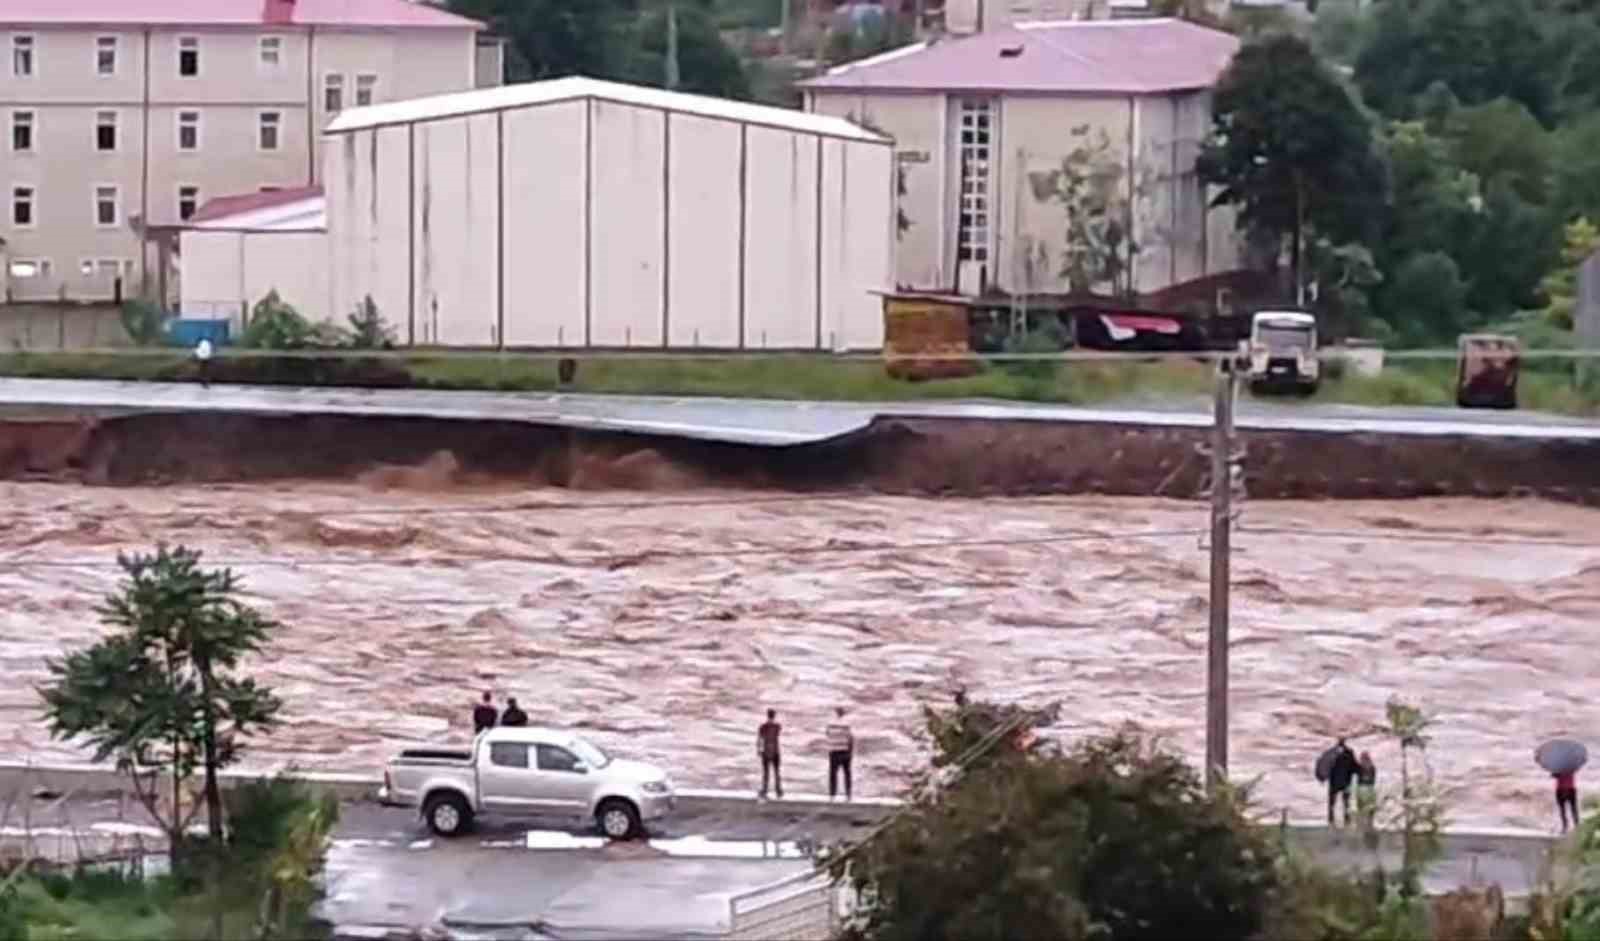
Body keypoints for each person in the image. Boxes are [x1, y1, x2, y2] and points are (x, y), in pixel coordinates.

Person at [1327, 738, 1359, 827]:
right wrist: (1361, 771)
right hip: (1346, 782)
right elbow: (1354, 766)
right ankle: (1347, 819)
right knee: (1346, 802)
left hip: (1333, 782)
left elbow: (1326, 766)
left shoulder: (1331, 753)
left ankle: (1331, 819)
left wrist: (1324, 776)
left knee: (1331, 803)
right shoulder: (1349, 753)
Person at [826, 707, 854, 801]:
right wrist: (850, 752)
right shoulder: (847, 724)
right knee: (847, 773)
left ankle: (832, 794)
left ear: (836, 713)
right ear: (843, 713)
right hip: (845, 751)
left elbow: (827, 734)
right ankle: (848, 794)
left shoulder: (830, 723)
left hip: (834, 751)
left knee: (833, 774)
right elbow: (850, 739)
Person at [757, 709, 783, 799]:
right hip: (775, 750)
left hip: (766, 750)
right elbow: (777, 735)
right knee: (776, 772)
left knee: (766, 773)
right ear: (774, 716)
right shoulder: (777, 726)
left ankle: (764, 790)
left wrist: (759, 750)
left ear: (767, 715)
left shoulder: (763, 726)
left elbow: (760, 739)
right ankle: (778, 791)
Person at [1356, 751, 1378, 830]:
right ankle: (1369, 822)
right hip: (1369, 788)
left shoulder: (1359, 767)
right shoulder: (1372, 767)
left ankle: (1365, 822)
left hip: (1363, 787)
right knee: (1369, 806)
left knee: (1362, 806)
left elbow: (1358, 778)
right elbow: (1373, 779)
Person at [1557, 768, 1580, 833]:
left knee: (1565, 809)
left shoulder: (1559, 764)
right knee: (1568, 809)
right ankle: (1573, 827)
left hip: (1565, 788)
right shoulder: (1571, 762)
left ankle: (1567, 826)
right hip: (1566, 787)